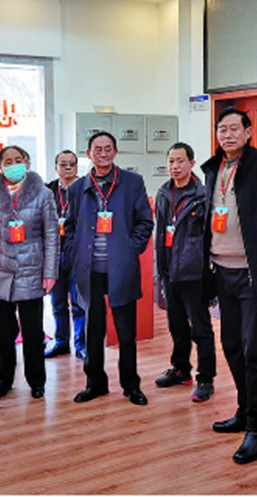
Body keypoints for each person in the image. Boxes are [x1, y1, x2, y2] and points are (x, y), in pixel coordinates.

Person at [201, 107, 257, 464]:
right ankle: (244, 408)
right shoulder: (213, 169)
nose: (228, 135)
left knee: (256, 352)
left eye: (234, 128)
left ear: (249, 132)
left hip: (254, 274)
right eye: (222, 129)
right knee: (232, 346)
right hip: (222, 271)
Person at [64, 131, 153, 406]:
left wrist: (130, 249)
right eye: (97, 149)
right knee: (93, 330)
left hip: (121, 268)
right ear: (89, 154)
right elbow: (69, 226)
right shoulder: (77, 188)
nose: (103, 154)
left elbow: (145, 222)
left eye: (108, 149)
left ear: (115, 152)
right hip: (89, 269)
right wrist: (74, 251)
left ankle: (131, 385)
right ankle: (95, 383)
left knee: (126, 332)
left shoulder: (132, 182)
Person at [0, 145, 59, 399]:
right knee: (3, 332)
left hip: (31, 269)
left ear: (27, 162)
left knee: (33, 331)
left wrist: (50, 272)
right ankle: (3, 379)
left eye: (18, 160)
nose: (13, 165)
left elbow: (51, 235)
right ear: (0, 166)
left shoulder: (43, 194)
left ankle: (36, 381)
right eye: (7, 161)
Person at [154, 142, 216, 402]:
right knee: (176, 325)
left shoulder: (203, 195)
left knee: (201, 329)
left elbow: (210, 236)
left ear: (192, 163)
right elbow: (160, 233)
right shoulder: (163, 193)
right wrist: (160, 271)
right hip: (170, 271)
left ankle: (206, 378)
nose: (175, 166)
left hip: (194, 273)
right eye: (171, 161)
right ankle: (181, 369)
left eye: (180, 161)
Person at [44, 149, 86, 359]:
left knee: (79, 303)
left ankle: (81, 344)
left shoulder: (85, 188)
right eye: (63, 164)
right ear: (56, 167)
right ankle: (61, 342)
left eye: (72, 164)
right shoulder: (47, 190)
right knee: (57, 302)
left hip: (78, 252)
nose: (68, 167)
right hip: (54, 252)